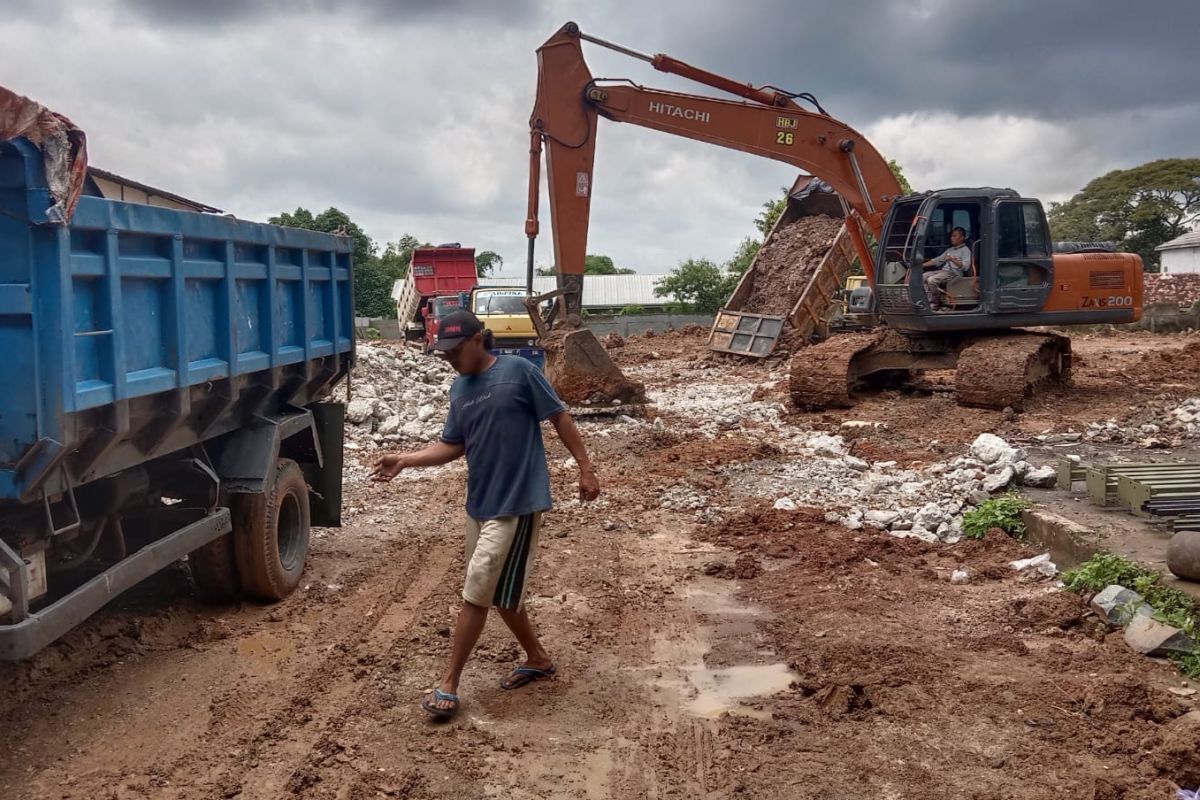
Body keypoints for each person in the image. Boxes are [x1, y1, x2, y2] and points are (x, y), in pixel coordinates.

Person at [370, 309, 599, 721]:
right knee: (499, 593)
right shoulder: (460, 388)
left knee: (477, 590)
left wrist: (585, 467)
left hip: (518, 502)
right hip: (479, 504)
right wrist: (405, 460)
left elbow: (559, 416)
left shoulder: (518, 372)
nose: (449, 359)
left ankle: (449, 683)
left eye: (454, 351)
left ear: (478, 339)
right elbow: (452, 446)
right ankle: (538, 657)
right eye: (444, 353)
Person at [922, 226, 972, 310]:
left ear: (962, 238)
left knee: (932, 280)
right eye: (951, 236)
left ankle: (935, 303)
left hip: (955, 274)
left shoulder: (966, 250)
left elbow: (965, 267)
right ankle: (927, 300)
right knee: (923, 276)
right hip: (943, 271)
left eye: (954, 236)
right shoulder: (950, 250)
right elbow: (937, 260)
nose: (951, 238)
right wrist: (922, 265)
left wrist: (952, 259)